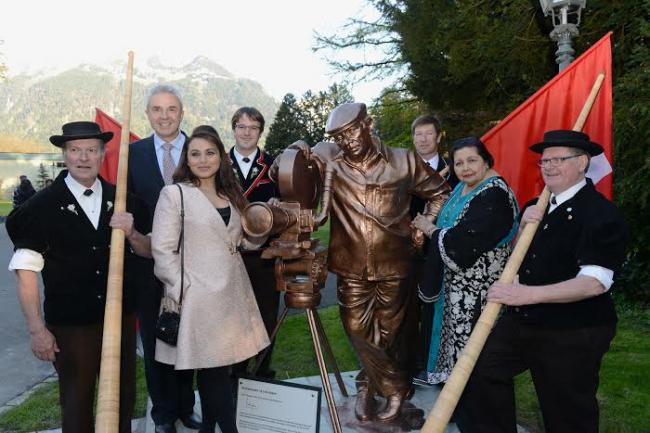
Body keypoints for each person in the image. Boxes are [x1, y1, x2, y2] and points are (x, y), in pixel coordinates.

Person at [271, 102, 450, 422]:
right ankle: (395, 387)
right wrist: (293, 151)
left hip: (395, 263)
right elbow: (283, 174)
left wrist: (424, 223)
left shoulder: (404, 160)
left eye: (350, 131)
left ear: (368, 125)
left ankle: (367, 387)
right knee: (356, 327)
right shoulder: (331, 161)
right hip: (350, 263)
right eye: (338, 137)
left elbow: (440, 192)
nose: (345, 141)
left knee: (388, 332)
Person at [457, 130, 629, 433]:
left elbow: (594, 283)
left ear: (582, 163)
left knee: (565, 408)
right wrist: (523, 227)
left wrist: (524, 295)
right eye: (544, 161)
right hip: (524, 320)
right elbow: (518, 258)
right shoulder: (536, 206)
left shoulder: (601, 213)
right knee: (481, 372)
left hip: (574, 328)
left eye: (559, 159)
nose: (549, 166)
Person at [5, 121, 152, 433]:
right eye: (75, 150)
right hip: (71, 326)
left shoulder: (124, 200)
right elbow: (25, 271)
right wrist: (36, 330)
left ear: (102, 155)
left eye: (91, 150)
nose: (83, 157)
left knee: (122, 400)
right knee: (77, 404)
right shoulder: (40, 207)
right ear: (65, 155)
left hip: (120, 320)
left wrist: (132, 232)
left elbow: (148, 251)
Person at [152, 127, 269, 433]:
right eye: (195, 154)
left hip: (232, 294)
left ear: (221, 157)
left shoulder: (231, 194)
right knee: (215, 370)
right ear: (186, 159)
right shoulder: (175, 193)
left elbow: (248, 242)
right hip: (197, 296)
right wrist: (181, 290)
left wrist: (263, 224)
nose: (203, 160)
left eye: (210, 153)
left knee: (217, 367)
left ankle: (207, 429)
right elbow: (162, 250)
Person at [412, 136, 518, 386]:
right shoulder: (463, 186)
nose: (465, 168)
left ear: (486, 160)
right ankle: (455, 401)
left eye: (472, 160)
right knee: (454, 351)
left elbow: (462, 243)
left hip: (477, 293)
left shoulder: (494, 195)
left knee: (474, 357)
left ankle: (471, 409)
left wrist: (429, 229)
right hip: (454, 290)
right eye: (458, 164)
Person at [127, 84, 199, 433]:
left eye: (171, 109)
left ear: (181, 112)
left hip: (195, 264)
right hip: (148, 265)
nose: (165, 116)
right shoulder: (133, 153)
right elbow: (126, 204)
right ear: (148, 114)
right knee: (157, 342)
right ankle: (163, 414)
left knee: (189, 336)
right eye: (157, 109)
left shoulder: (200, 150)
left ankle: (186, 405)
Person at [228, 106, 280, 379]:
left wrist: (277, 207)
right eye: (241, 127)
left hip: (264, 257)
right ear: (233, 129)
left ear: (260, 131)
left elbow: (288, 209)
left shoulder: (274, 166)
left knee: (266, 316)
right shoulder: (217, 164)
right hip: (229, 255)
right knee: (232, 318)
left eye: (253, 128)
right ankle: (234, 374)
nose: (247, 133)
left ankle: (261, 374)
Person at [409, 114, 458, 384]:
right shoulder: (404, 167)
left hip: (440, 248)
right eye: (418, 134)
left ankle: (428, 363)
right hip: (407, 249)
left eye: (428, 134)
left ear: (439, 137)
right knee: (407, 308)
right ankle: (407, 361)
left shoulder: (455, 169)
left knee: (433, 306)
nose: (423, 139)